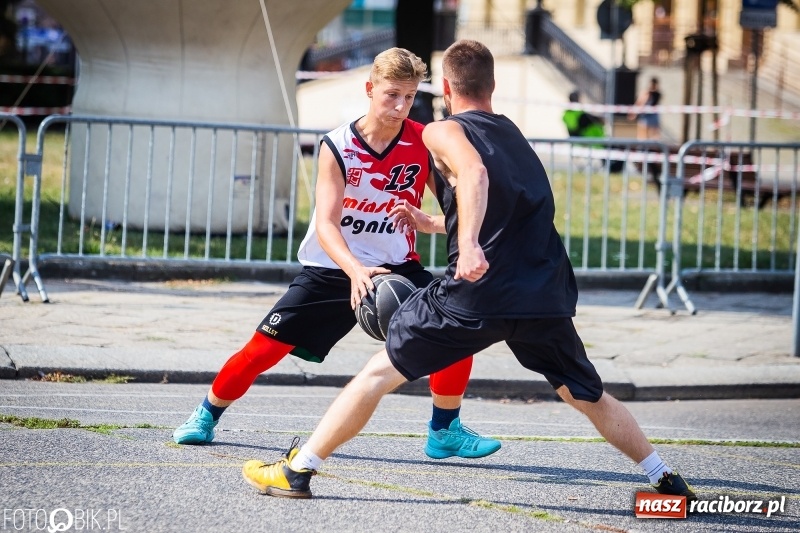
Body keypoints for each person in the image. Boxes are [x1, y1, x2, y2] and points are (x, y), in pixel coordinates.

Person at [241, 39, 697, 502]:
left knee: (376, 375)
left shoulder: (440, 131)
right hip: (542, 292)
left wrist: (468, 244)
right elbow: (503, 208)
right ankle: (665, 479)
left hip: (479, 291)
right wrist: (435, 223)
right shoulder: (512, 133)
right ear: (492, 86)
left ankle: (298, 471)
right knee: (585, 393)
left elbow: (474, 175)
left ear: (444, 87)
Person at [172, 47, 501, 461]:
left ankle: (444, 430)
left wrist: (427, 221)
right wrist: (355, 269)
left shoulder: (422, 141)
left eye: (410, 96)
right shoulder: (338, 144)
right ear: (369, 89)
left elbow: (455, 212)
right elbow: (326, 224)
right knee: (262, 351)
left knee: (457, 332)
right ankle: (206, 415)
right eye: (391, 94)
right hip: (334, 267)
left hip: (398, 268)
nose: (401, 106)